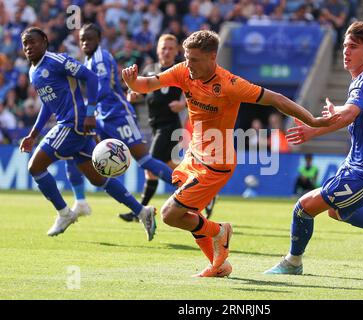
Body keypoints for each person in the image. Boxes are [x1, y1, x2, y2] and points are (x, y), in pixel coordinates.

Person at [122, 30, 338, 277]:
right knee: (189, 215)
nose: (188, 64)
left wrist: (311, 120)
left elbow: (276, 99)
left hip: (216, 165)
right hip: (194, 156)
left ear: (212, 57)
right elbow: (148, 83)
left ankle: (219, 231)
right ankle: (219, 265)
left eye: (194, 59)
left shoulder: (229, 84)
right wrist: (133, 83)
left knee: (171, 215)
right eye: (187, 57)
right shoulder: (183, 70)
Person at [264, 22, 363, 276]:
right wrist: (316, 130)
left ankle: (293, 262)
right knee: (337, 213)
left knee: (304, 207)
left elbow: (348, 114)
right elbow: (348, 117)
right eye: (345, 46)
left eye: (353, 47)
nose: (346, 52)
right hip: (356, 164)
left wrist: (333, 115)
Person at [19, 27, 156, 239]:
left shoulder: (56, 60)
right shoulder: (33, 71)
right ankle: (142, 211)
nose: (29, 47)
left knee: (35, 167)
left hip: (73, 123)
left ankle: (65, 213)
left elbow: (91, 78)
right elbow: (48, 105)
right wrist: (33, 134)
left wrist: (91, 112)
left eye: (33, 42)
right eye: (25, 44)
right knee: (97, 178)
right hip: (74, 125)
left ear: (45, 41)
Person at [64, 23, 174, 227]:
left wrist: (88, 111)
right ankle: (82, 200)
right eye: (82, 39)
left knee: (144, 160)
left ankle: (184, 187)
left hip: (118, 114)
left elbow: (103, 89)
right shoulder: (88, 60)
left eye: (89, 38)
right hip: (101, 117)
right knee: (75, 149)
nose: (85, 42)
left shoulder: (100, 58)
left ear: (99, 40)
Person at [119, 34, 217, 222]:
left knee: (151, 165)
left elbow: (199, 95)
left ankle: (138, 211)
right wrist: (134, 96)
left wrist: (183, 105)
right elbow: (140, 92)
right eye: (164, 48)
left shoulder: (183, 70)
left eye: (171, 48)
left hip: (170, 126)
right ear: (157, 50)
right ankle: (204, 191)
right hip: (155, 125)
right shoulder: (150, 70)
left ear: (177, 51)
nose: (167, 51)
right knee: (168, 167)